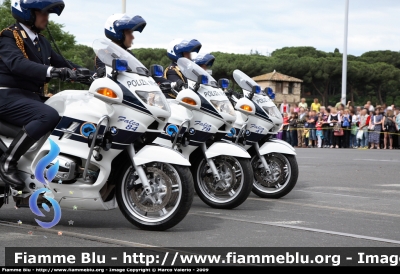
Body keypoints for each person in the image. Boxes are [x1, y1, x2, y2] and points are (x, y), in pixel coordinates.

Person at [0, 0, 81, 191]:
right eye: (43, 13)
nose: (47, 18)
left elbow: (65, 63)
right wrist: (52, 71)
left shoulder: (42, 41)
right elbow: (16, 63)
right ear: (27, 13)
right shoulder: (8, 36)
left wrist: (92, 74)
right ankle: (7, 161)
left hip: (29, 96)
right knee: (48, 115)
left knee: (68, 114)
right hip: (6, 95)